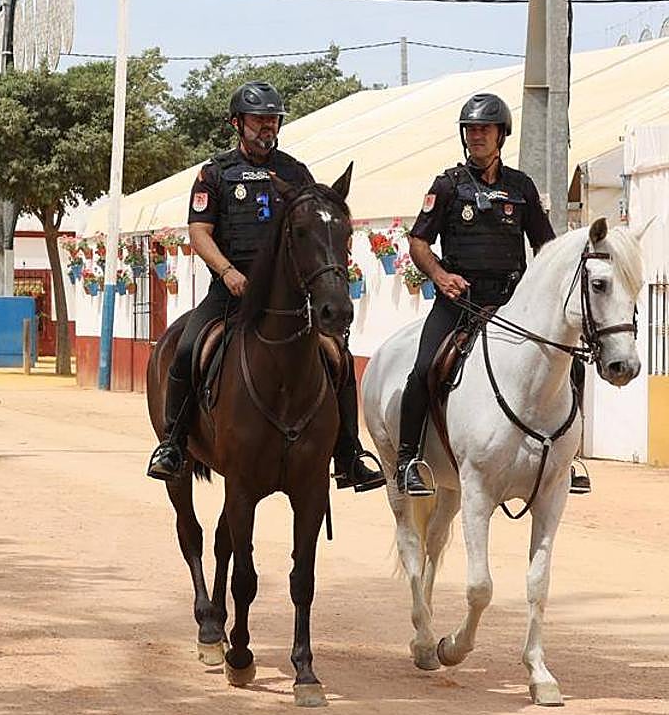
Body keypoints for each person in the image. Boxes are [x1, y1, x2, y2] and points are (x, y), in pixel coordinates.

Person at [146, 81, 385, 492]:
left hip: (285, 301)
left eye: (272, 121)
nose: (267, 128)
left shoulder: (296, 172)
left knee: (339, 359)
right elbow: (199, 233)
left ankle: (348, 452)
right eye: (258, 120)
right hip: (230, 293)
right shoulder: (215, 173)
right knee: (185, 351)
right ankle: (173, 442)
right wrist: (226, 272)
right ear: (237, 123)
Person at [393, 93, 591, 495]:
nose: (476, 136)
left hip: (510, 305)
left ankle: (572, 459)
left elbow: (546, 247)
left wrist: (546, 293)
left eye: (484, 129)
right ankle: (408, 459)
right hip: (458, 303)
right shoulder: (447, 185)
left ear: (502, 134)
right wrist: (440, 275)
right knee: (422, 370)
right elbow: (417, 242)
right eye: (470, 129)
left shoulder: (521, 188)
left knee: (573, 366)